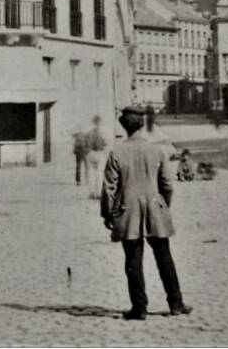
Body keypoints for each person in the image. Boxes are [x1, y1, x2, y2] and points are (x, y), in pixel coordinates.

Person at [101, 106, 193, 320]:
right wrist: (163, 206)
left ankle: (139, 308)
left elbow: (109, 188)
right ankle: (176, 303)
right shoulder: (157, 151)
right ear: (141, 125)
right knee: (164, 257)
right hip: (154, 209)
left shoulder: (116, 152)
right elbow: (167, 185)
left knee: (133, 261)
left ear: (124, 126)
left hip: (127, 212)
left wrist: (107, 214)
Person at [86, 115, 107, 199]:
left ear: (93, 122)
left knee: (91, 174)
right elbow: (105, 143)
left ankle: (92, 193)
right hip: (99, 153)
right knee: (100, 174)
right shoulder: (102, 132)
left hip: (91, 153)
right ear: (99, 122)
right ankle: (99, 193)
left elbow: (87, 144)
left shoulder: (90, 132)